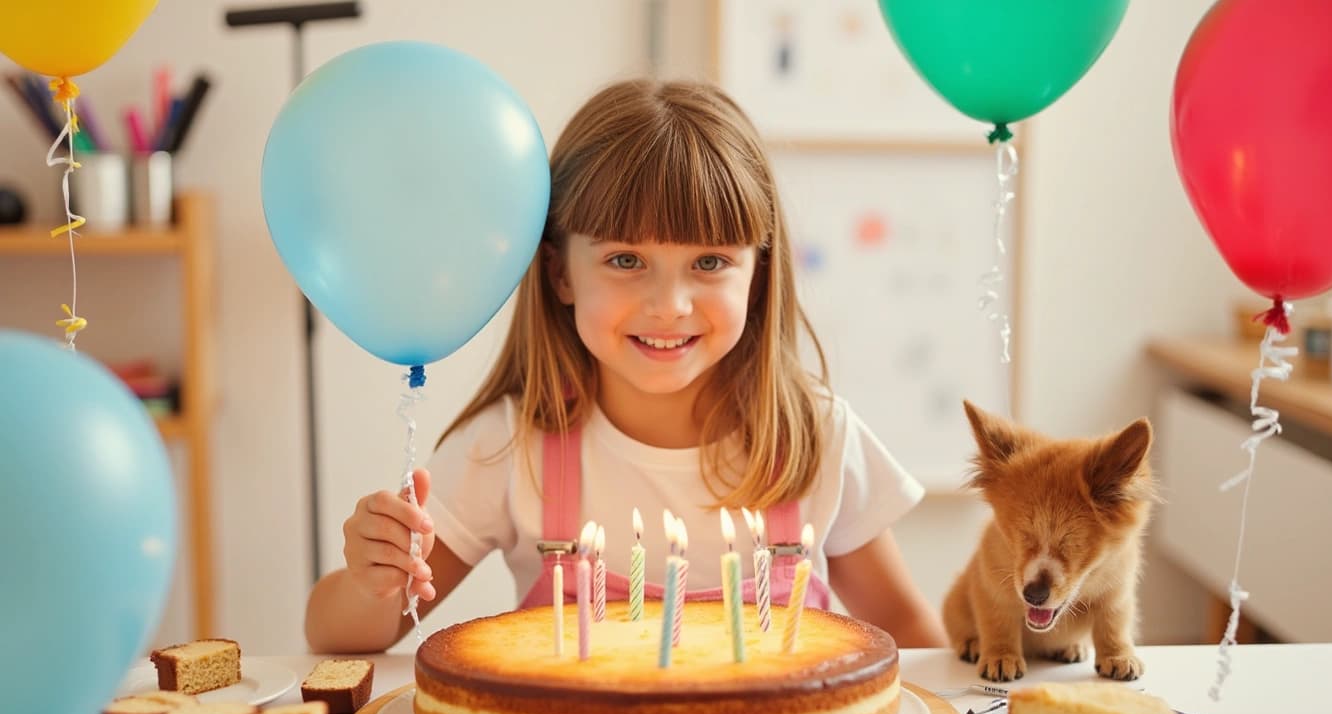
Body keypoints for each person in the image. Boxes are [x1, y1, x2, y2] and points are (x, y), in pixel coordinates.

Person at [305, 78, 948, 653]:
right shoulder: (508, 444)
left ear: (757, 277)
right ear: (560, 274)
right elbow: (343, 633)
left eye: (709, 263)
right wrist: (372, 584)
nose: (668, 306)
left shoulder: (817, 436)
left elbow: (912, 639)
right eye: (625, 261)